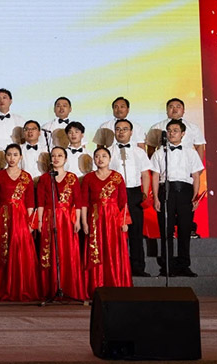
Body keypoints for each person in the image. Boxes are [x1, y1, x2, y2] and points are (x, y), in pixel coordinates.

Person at [150, 119, 204, 277]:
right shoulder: (160, 153)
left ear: (183, 134)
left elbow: (196, 176)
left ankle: (184, 265)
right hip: (166, 191)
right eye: (169, 131)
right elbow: (155, 176)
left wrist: (195, 197)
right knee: (166, 230)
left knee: (184, 230)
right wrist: (156, 198)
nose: (172, 133)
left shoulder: (191, 152)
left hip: (185, 191)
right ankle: (167, 267)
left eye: (175, 130)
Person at [0, 144, 39, 301]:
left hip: (21, 217)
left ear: (20, 157)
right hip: (4, 216)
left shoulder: (26, 177)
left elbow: (30, 202)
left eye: (15, 155)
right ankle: (5, 287)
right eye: (9, 154)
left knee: (21, 251)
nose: (12, 158)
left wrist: (30, 223)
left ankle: (22, 286)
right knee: (4, 251)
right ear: (5, 156)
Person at [35, 147, 87, 301]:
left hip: (67, 220)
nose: (56, 158)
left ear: (65, 159)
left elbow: (78, 202)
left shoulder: (72, 178)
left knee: (67, 252)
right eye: (53, 156)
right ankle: (50, 289)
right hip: (49, 218)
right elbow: (41, 203)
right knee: (50, 252)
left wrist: (77, 220)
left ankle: (69, 288)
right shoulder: (44, 178)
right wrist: (39, 221)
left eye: (60, 155)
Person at [82, 147, 132, 293]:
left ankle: (115, 284)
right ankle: (96, 285)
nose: (100, 159)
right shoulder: (88, 178)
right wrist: (84, 222)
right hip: (95, 218)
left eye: (104, 156)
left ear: (109, 159)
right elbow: (84, 202)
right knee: (96, 250)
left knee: (113, 250)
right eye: (97, 156)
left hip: (113, 219)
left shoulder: (117, 177)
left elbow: (123, 201)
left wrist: (124, 221)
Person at [109, 119, 153, 277]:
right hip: (115, 194)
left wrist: (144, 193)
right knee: (115, 232)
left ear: (131, 132)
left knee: (136, 232)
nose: (121, 132)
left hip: (134, 193)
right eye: (118, 129)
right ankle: (117, 268)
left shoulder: (139, 152)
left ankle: (138, 267)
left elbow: (145, 174)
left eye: (125, 129)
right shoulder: (109, 151)